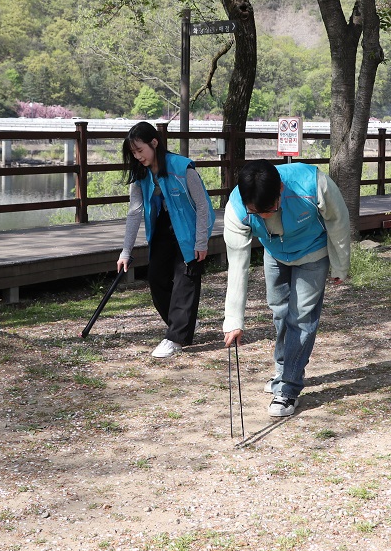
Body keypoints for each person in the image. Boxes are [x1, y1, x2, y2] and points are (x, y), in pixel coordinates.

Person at [222, 160, 351, 417]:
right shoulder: (236, 208)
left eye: (269, 210)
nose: (265, 217)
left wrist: (339, 265)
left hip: (312, 253)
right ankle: (283, 370)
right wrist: (234, 320)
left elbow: (338, 221)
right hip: (275, 253)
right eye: (257, 213)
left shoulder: (312, 183)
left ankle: (288, 389)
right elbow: (237, 263)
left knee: (301, 317)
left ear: (281, 189)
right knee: (280, 312)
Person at [117, 122, 215, 358]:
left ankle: (175, 338)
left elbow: (203, 205)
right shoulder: (140, 174)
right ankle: (183, 324)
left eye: (140, 150)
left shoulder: (183, 168)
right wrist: (125, 251)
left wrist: (201, 241)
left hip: (189, 229)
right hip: (162, 226)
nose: (138, 156)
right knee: (156, 277)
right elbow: (134, 212)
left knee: (185, 279)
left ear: (154, 143)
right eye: (133, 153)